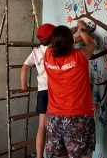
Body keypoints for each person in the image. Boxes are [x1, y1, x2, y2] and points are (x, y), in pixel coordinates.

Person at [44, 20, 96, 158]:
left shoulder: (48, 56)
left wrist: (72, 30)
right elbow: (91, 44)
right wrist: (82, 30)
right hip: (78, 117)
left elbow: (51, 44)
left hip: (54, 118)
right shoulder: (80, 55)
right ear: (71, 42)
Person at [21, 23, 56, 158]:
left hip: (42, 90)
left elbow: (25, 67)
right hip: (55, 89)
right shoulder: (55, 49)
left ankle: (40, 156)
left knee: (42, 125)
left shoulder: (35, 51)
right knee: (57, 123)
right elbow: (72, 40)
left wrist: (24, 85)